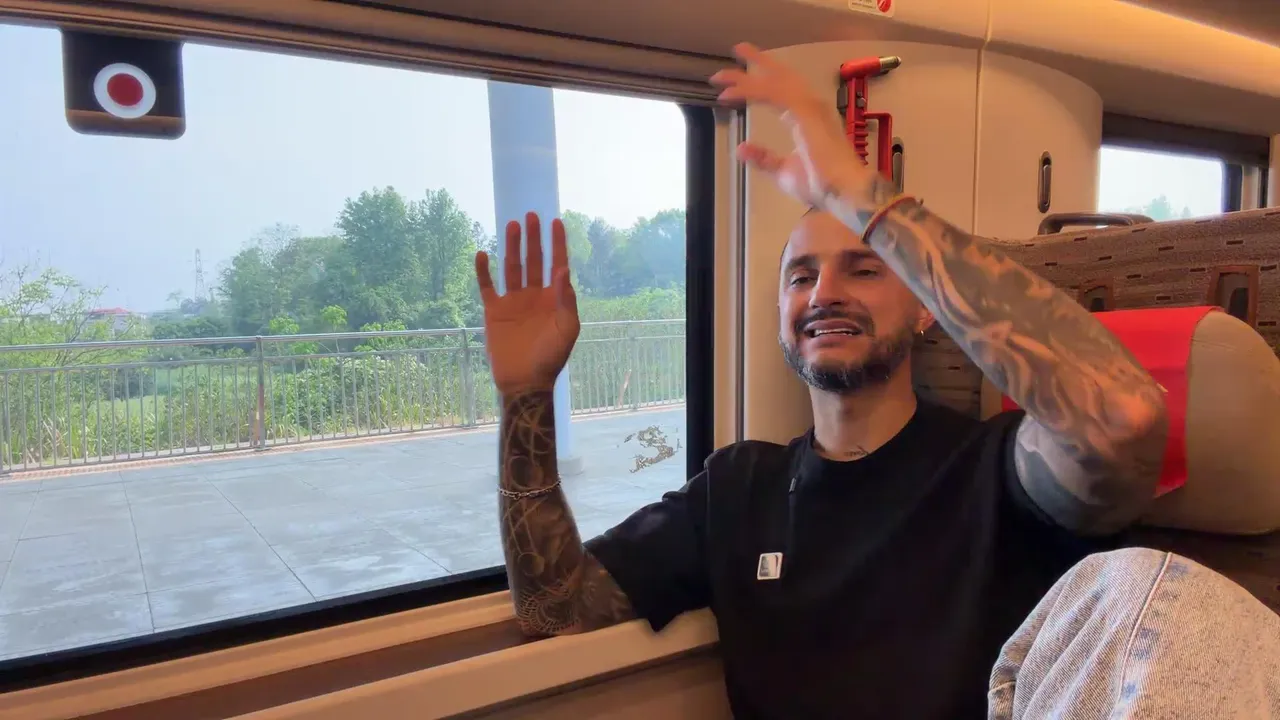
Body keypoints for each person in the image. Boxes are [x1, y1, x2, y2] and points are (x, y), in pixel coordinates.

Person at [473, 44, 1280, 719]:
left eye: (865, 268)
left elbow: (1122, 416)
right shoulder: (736, 490)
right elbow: (554, 606)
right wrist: (526, 397)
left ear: (929, 308)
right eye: (801, 277)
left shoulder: (999, 473)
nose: (824, 293)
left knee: (1162, 590)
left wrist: (866, 200)